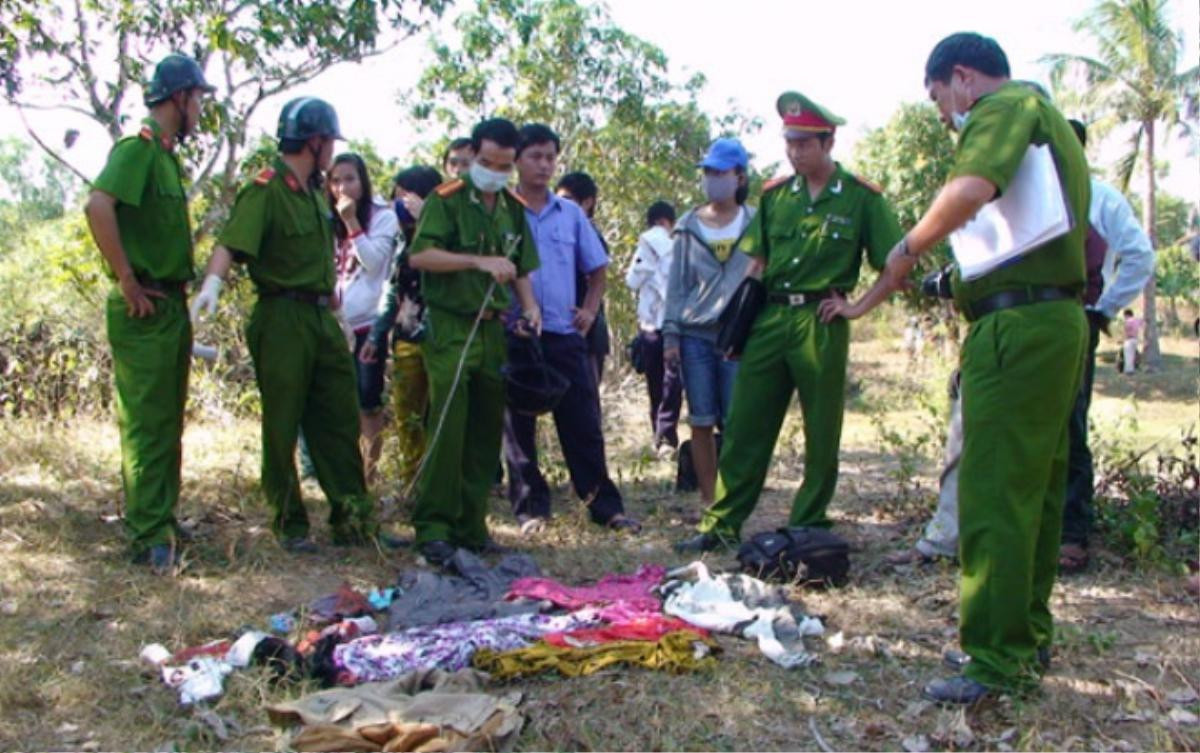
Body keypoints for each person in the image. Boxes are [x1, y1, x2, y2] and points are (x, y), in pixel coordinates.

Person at [818, 32, 1090, 704]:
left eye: (941, 100)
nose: (945, 117)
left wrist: (908, 244)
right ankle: (1022, 636)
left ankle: (994, 658)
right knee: (1036, 487)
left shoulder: (1001, 109)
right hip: (1055, 319)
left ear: (962, 78)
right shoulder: (1050, 122)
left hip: (1015, 332)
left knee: (993, 489)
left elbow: (970, 189)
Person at [675, 92, 902, 553]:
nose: (795, 152)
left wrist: (857, 308)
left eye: (804, 143)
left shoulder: (861, 198)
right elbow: (755, 266)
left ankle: (808, 523)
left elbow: (896, 263)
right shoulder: (777, 196)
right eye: (789, 143)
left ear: (828, 141)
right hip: (771, 318)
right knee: (744, 425)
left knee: (822, 430)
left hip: (821, 320)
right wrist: (738, 326)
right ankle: (722, 523)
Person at [190, 97, 380, 553]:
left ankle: (353, 519)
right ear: (314, 141)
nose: (332, 150)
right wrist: (212, 284)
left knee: (338, 415)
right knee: (283, 421)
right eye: (329, 141)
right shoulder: (267, 188)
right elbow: (232, 243)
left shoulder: (316, 193)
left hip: (320, 315)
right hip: (282, 316)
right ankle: (290, 523)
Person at [83, 53, 215, 573]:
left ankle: (161, 516)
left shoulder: (164, 156)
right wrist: (127, 280)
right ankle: (146, 534)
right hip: (145, 307)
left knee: (166, 420)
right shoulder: (138, 150)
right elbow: (98, 206)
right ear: (179, 98)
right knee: (145, 423)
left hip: (170, 305)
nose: (201, 108)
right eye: (198, 98)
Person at [405, 117, 541, 567]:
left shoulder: (512, 206)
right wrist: (476, 262)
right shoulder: (446, 201)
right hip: (451, 326)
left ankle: (472, 526)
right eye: (485, 162)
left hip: (493, 329)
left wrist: (530, 305)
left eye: (502, 166)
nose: (492, 171)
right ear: (473, 154)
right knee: (448, 427)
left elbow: (520, 265)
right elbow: (421, 255)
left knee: (485, 431)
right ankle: (435, 528)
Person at [502, 123, 640, 535]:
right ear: (517, 160)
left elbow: (597, 269)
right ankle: (531, 511)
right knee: (517, 430)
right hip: (516, 336)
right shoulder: (502, 211)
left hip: (565, 334)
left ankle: (605, 507)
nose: (544, 166)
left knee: (583, 424)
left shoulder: (572, 215)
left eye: (550, 157)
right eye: (535, 157)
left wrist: (591, 310)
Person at [1060, 119, 1155, 572]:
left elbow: (1139, 256)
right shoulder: (1021, 196)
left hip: (1075, 321)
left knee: (1070, 426)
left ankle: (1072, 534)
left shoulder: (1100, 198)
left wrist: (1103, 309)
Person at [662, 138, 755, 508]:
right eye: (708, 173)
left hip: (738, 336)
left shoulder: (755, 223)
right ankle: (708, 499)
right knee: (700, 419)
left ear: (739, 177)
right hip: (695, 336)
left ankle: (732, 499)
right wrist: (671, 335)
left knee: (736, 423)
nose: (713, 180)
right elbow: (676, 285)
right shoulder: (687, 226)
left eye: (721, 172)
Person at [360, 166, 444, 492]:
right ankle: (413, 486)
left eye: (405, 197)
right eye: (397, 197)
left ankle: (440, 487)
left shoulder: (446, 233)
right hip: (406, 339)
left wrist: (427, 221)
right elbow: (392, 290)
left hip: (441, 340)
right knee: (409, 420)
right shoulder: (400, 239)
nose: (400, 204)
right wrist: (377, 334)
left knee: (439, 418)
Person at [328, 153, 399, 484]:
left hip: (368, 324)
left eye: (350, 179)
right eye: (336, 180)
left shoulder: (383, 217)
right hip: (334, 323)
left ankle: (368, 476)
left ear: (364, 181)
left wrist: (352, 223)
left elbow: (373, 262)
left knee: (368, 401)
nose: (343, 187)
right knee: (336, 403)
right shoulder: (326, 221)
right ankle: (342, 473)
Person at [625, 200, 683, 453]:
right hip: (653, 325)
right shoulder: (644, 250)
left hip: (665, 324)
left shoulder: (676, 248)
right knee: (664, 384)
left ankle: (665, 436)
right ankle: (662, 437)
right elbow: (632, 281)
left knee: (667, 383)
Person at [555, 171, 612, 390]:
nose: (561, 206)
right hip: (560, 330)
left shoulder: (591, 236)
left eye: (568, 200)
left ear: (587, 202)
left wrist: (587, 314)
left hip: (585, 335)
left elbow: (597, 278)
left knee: (585, 407)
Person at [1121, 308, 1143, 374]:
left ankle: (1128, 370)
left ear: (1126, 315)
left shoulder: (1128, 321)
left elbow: (1127, 329)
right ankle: (1132, 369)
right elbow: (1142, 323)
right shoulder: (1137, 320)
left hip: (1129, 339)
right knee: (1132, 355)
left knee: (1128, 355)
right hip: (1135, 339)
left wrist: (1124, 337)